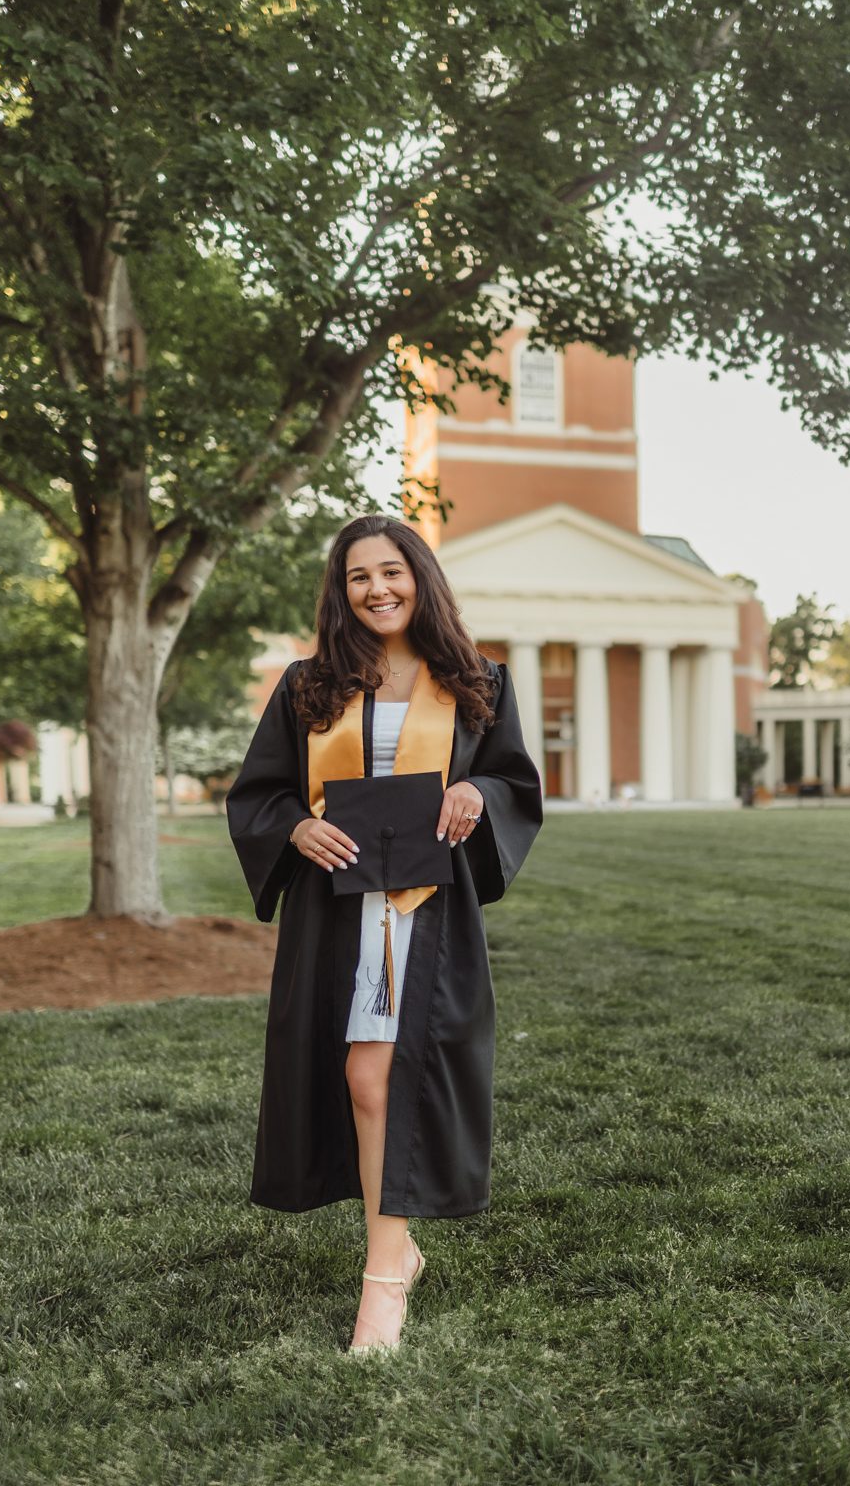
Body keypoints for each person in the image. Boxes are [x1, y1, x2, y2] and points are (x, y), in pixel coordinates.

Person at [225, 513, 543, 1355]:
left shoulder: (476, 681)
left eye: (392, 572)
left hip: (426, 909)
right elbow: (261, 794)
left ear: (421, 578)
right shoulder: (308, 686)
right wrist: (295, 830)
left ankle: (382, 1276)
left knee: (384, 1074)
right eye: (359, 576)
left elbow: (512, 782)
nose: (378, 589)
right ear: (341, 590)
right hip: (337, 910)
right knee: (362, 1078)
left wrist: (478, 798)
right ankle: (395, 1256)